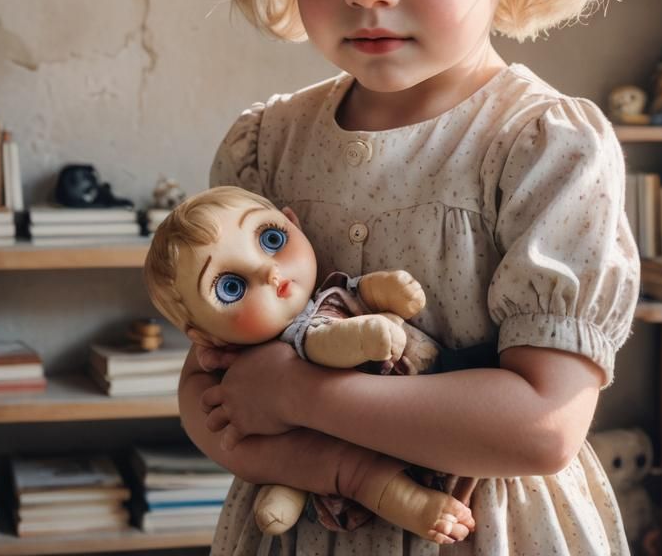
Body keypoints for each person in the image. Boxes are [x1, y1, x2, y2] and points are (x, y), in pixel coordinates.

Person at [180, 0, 641, 555]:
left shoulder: (546, 149)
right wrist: (304, 445)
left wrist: (301, 400)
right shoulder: (262, 149)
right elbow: (214, 400)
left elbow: (542, 425)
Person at [144, 185, 473, 543]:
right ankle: (372, 497)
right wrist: (363, 338)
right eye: (231, 287)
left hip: (431, 422)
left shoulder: (331, 293)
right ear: (206, 336)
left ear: (291, 221)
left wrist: (388, 290)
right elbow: (322, 345)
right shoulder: (247, 359)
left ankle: (290, 489)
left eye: (271, 239)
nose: (268, 271)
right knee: (340, 469)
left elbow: (361, 291)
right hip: (310, 454)